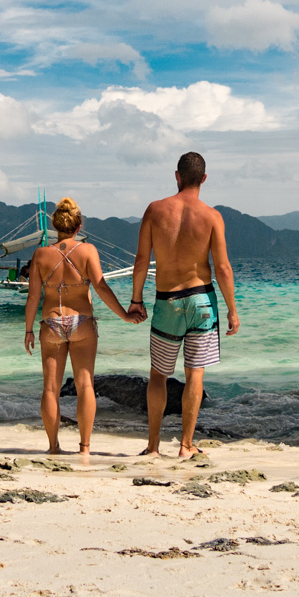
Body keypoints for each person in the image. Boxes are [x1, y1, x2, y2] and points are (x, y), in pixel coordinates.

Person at [130, 152, 240, 457]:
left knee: (158, 376)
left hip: (167, 301)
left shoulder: (155, 210)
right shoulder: (212, 216)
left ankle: (152, 446)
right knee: (195, 374)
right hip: (202, 300)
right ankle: (185, 445)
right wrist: (232, 309)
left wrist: (136, 300)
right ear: (204, 179)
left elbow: (141, 261)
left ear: (176, 176)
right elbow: (223, 269)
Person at [24, 197, 142, 456]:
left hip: (52, 323)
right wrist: (124, 314)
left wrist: (29, 329)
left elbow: (33, 297)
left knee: (50, 388)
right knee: (85, 385)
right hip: (82, 323)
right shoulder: (88, 251)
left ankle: (53, 447)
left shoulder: (40, 255)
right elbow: (100, 287)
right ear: (78, 227)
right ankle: (85, 448)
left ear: (56, 226)